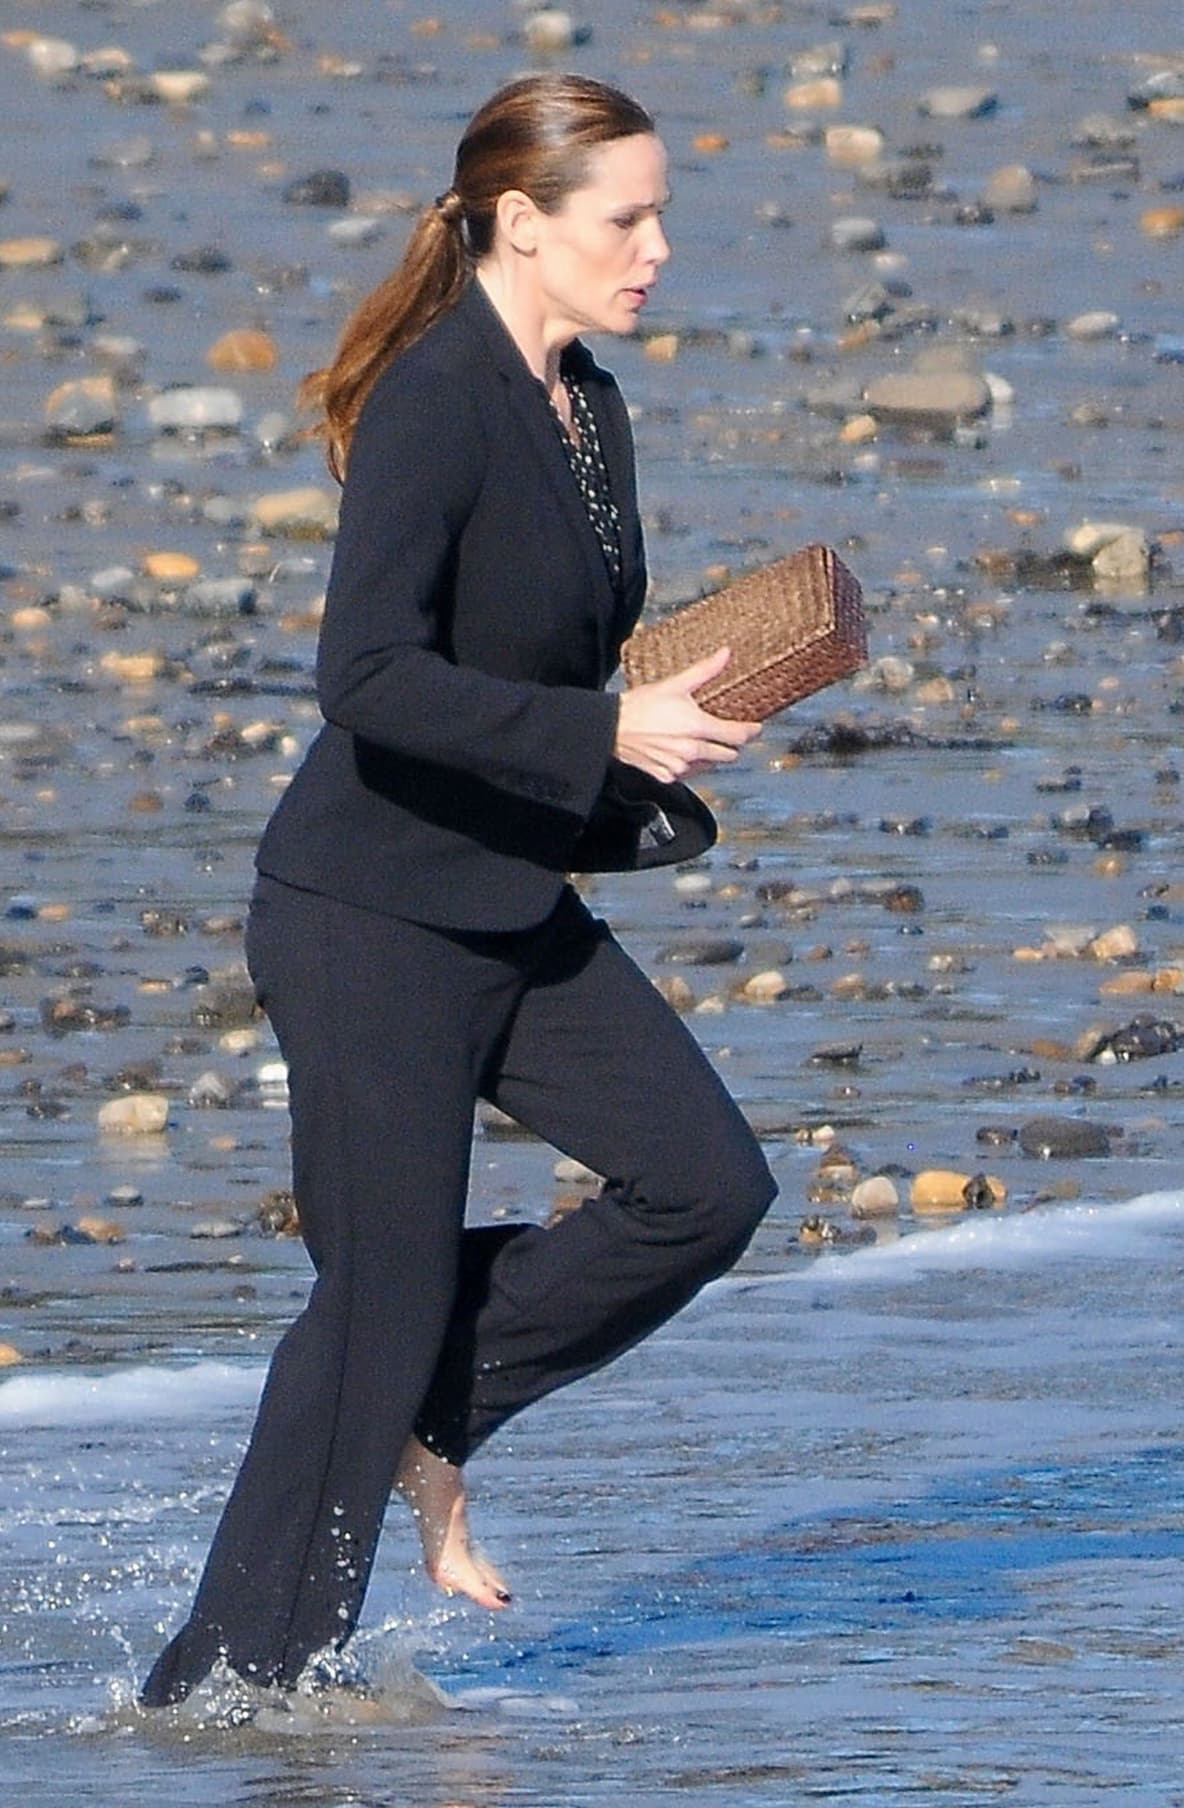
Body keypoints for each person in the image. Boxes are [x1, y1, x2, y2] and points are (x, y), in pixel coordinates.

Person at [140, 71, 777, 1710]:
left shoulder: (593, 408)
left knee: (706, 1186)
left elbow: (555, 655)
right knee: (378, 1295)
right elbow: (363, 675)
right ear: (521, 220)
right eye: (625, 217)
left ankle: (434, 1407)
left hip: (508, 899)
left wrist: (666, 717)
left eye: (659, 213)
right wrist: (597, 728)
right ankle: (227, 1693)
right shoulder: (436, 400)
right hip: (366, 918)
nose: (657, 248)